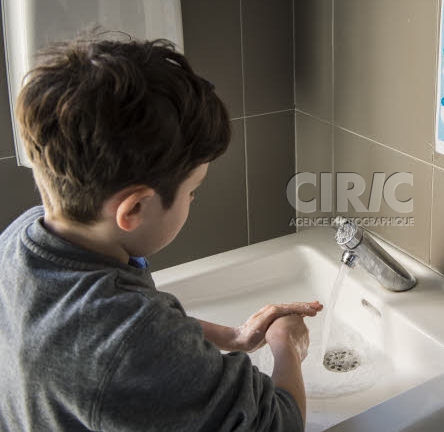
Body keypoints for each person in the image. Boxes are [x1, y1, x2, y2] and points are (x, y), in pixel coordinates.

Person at [0, 37, 322, 431]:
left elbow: (119, 330)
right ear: (133, 209)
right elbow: (280, 424)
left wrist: (233, 337)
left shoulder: (20, 240)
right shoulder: (131, 340)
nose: (193, 200)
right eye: (193, 191)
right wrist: (286, 346)